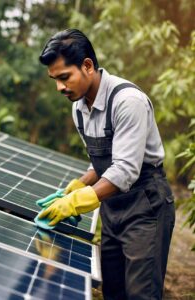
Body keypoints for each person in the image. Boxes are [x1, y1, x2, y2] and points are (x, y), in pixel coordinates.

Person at [38, 29, 175, 299]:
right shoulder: (79, 108)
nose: (60, 88)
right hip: (112, 210)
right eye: (55, 80)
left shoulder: (127, 102)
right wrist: (77, 186)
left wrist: (77, 202)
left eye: (64, 77)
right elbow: (100, 162)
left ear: (87, 66)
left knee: (141, 292)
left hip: (145, 206)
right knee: (113, 290)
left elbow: (125, 170)